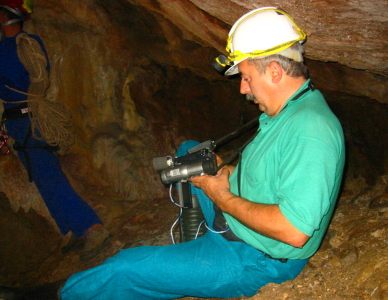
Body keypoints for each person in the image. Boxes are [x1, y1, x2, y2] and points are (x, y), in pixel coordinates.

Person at [0, 6, 345, 300]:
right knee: (189, 152)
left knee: (125, 268)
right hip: (238, 225)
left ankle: (55, 294)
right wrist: (224, 173)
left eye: (245, 77)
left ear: (274, 70)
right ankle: (196, 229)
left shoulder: (311, 130)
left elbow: (293, 231)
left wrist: (220, 195)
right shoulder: (288, 111)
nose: (242, 89)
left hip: (254, 257)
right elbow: (275, 170)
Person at [0, 0, 110, 261]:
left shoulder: (20, 46)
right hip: (20, 120)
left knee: (49, 177)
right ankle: (72, 229)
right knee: (43, 178)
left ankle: (92, 228)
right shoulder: (21, 45)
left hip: (29, 120)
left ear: (7, 15)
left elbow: (19, 77)